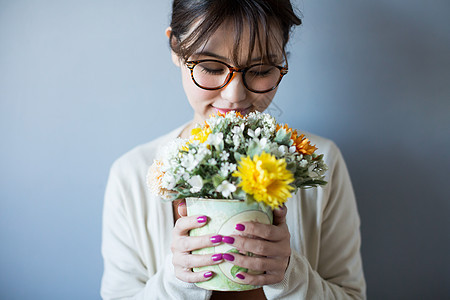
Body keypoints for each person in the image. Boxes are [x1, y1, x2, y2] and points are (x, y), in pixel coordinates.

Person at [101, 0, 366, 299]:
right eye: (211, 67)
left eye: (261, 69)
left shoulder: (321, 161)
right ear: (176, 47)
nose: (234, 95)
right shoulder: (131, 176)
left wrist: (291, 275)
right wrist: (179, 281)